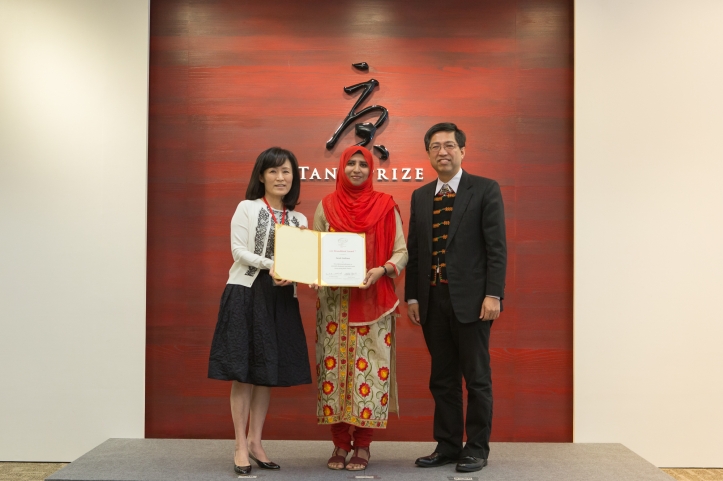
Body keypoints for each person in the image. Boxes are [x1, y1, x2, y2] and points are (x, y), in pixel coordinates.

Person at [405, 123, 507, 473]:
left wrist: (494, 294)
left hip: (474, 302)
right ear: (428, 154)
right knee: (442, 379)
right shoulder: (420, 196)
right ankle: (448, 445)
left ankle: (477, 447)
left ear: (463, 150)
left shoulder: (485, 190)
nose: (442, 151)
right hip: (432, 302)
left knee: (477, 378)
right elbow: (416, 252)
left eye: (449, 145)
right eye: (435, 146)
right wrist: (413, 299)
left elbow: (496, 248)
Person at [208, 147, 312, 475]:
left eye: (287, 172)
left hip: (281, 300)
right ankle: (240, 444)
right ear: (261, 176)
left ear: (294, 178)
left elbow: (302, 262)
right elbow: (238, 251)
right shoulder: (248, 208)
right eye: (274, 171)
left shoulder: (299, 219)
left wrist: (302, 274)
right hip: (246, 293)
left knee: (266, 374)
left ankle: (256, 441)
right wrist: (274, 265)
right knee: (244, 372)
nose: (281, 178)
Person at [313, 145, 408, 471]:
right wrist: (313, 274)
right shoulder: (326, 206)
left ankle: (363, 446)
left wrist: (382, 270)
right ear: (342, 167)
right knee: (335, 375)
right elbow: (315, 251)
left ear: (371, 170)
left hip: (374, 304)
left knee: (369, 374)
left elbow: (402, 252)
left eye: (362, 164)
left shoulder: (385, 206)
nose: (356, 168)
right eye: (350, 163)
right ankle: (340, 445)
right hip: (334, 306)